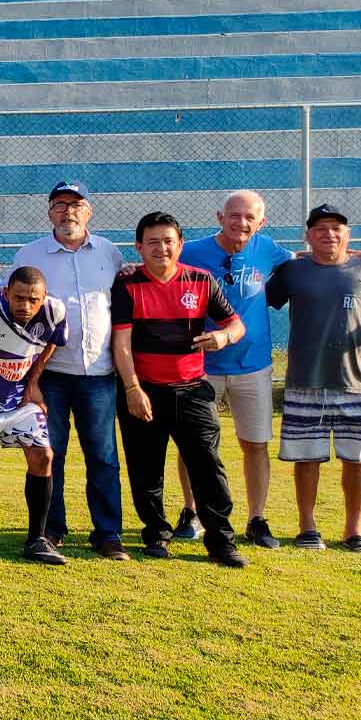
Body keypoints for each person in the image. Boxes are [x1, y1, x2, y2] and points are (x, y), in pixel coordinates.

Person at [111, 212, 247, 567]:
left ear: (180, 245)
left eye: (168, 241)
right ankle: (156, 533)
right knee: (145, 470)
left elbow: (236, 325)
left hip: (192, 391)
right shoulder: (126, 285)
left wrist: (223, 336)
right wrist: (132, 389)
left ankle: (221, 541)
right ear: (139, 247)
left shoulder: (201, 281)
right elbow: (121, 344)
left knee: (208, 467)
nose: (161, 248)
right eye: (152, 242)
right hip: (144, 393)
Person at [7, 182, 129, 559]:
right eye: (60, 205)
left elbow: (120, 308)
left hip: (99, 374)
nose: (68, 212)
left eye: (76, 205)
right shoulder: (30, 255)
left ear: (88, 211)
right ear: (49, 213)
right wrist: (30, 380)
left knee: (103, 456)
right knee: (50, 452)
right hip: (51, 376)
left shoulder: (110, 252)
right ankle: (51, 529)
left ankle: (107, 533)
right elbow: (16, 317)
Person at [174, 190, 291, 547]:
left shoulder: (268, 250)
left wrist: (357, 255)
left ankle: (257, 518)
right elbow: (158, 266)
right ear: (219, 217)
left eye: (249, 217)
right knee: (194, 444)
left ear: (261, 222)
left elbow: (308, 259)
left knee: (254, 444)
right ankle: (191, 512)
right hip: (200, 364)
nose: (241, 223)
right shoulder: (192, 251)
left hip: (253, 365)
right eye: (234, 215)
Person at [266, 204, 361, 554]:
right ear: (308, 235)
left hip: (357, 382)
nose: (328, 234)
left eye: (336, 228)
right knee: (307, 458)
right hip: (305, 381)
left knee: (357, 458)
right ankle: (308, 527)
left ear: (347, 234)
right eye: (320, 228)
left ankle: (354, 530)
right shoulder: (291, 271)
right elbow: (258, 300)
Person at [0, 267, 69, 565]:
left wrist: (33, 381)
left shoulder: (55, 311)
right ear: (5, 292)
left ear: (44, 297)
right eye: (18, 298)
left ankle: (37, 539)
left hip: (21, 400)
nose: (25, 306)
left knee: (44, 456)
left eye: (33, 299)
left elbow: (53, 342)